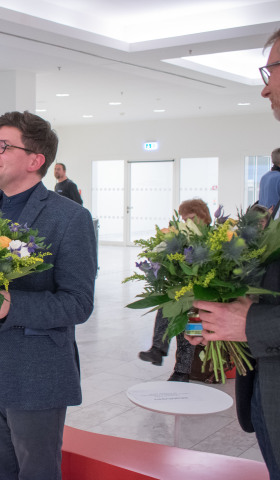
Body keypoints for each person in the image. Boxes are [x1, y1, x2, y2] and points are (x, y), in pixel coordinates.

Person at [0, 111, 96, 479]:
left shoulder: (70, 218)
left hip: (35, 372)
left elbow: (78, 303)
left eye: (2, 146)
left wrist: (10, 305)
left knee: (36, 473)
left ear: (35, 160)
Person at [186, 28, 280, 480]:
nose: (265, 87)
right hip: (265, 390)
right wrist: (224, 323)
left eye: (272, 70)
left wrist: (251, 324)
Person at [138, 199, 211, 382]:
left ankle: (182, 371)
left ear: (203, 216)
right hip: (182, 289)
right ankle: (158, 349)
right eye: (185, 219)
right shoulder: (181, 236)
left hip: (202, 294)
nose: (188, 223)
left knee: (188, 324)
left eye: (192, 218)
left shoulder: (212, 236)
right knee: (166, 305)